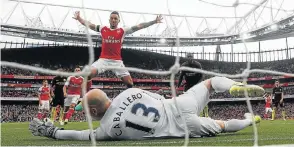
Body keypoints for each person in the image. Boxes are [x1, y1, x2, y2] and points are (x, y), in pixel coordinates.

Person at [29, 76, 264, 140]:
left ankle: (249, 119)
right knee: (211, 83)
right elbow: (157, 98)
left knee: (222, 126)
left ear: (94, 112)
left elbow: (79, 135)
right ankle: (234, 85)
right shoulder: (129, 92)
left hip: (182, 127)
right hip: (178, 103)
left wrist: (53, 132)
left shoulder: (108, 130)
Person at [73, 11, 163, 88]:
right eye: (112, 18)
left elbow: (139, 26)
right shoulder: (103, 29)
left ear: (119, 20)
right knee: (88, 74)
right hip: (103, 60)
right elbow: (90, 25)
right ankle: (84, 94)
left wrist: (154, 21)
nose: (113, 20)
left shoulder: (123, 30)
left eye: (115, 18)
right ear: (109, 20)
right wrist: (79, 19)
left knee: (130, 83)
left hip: (117, 62)